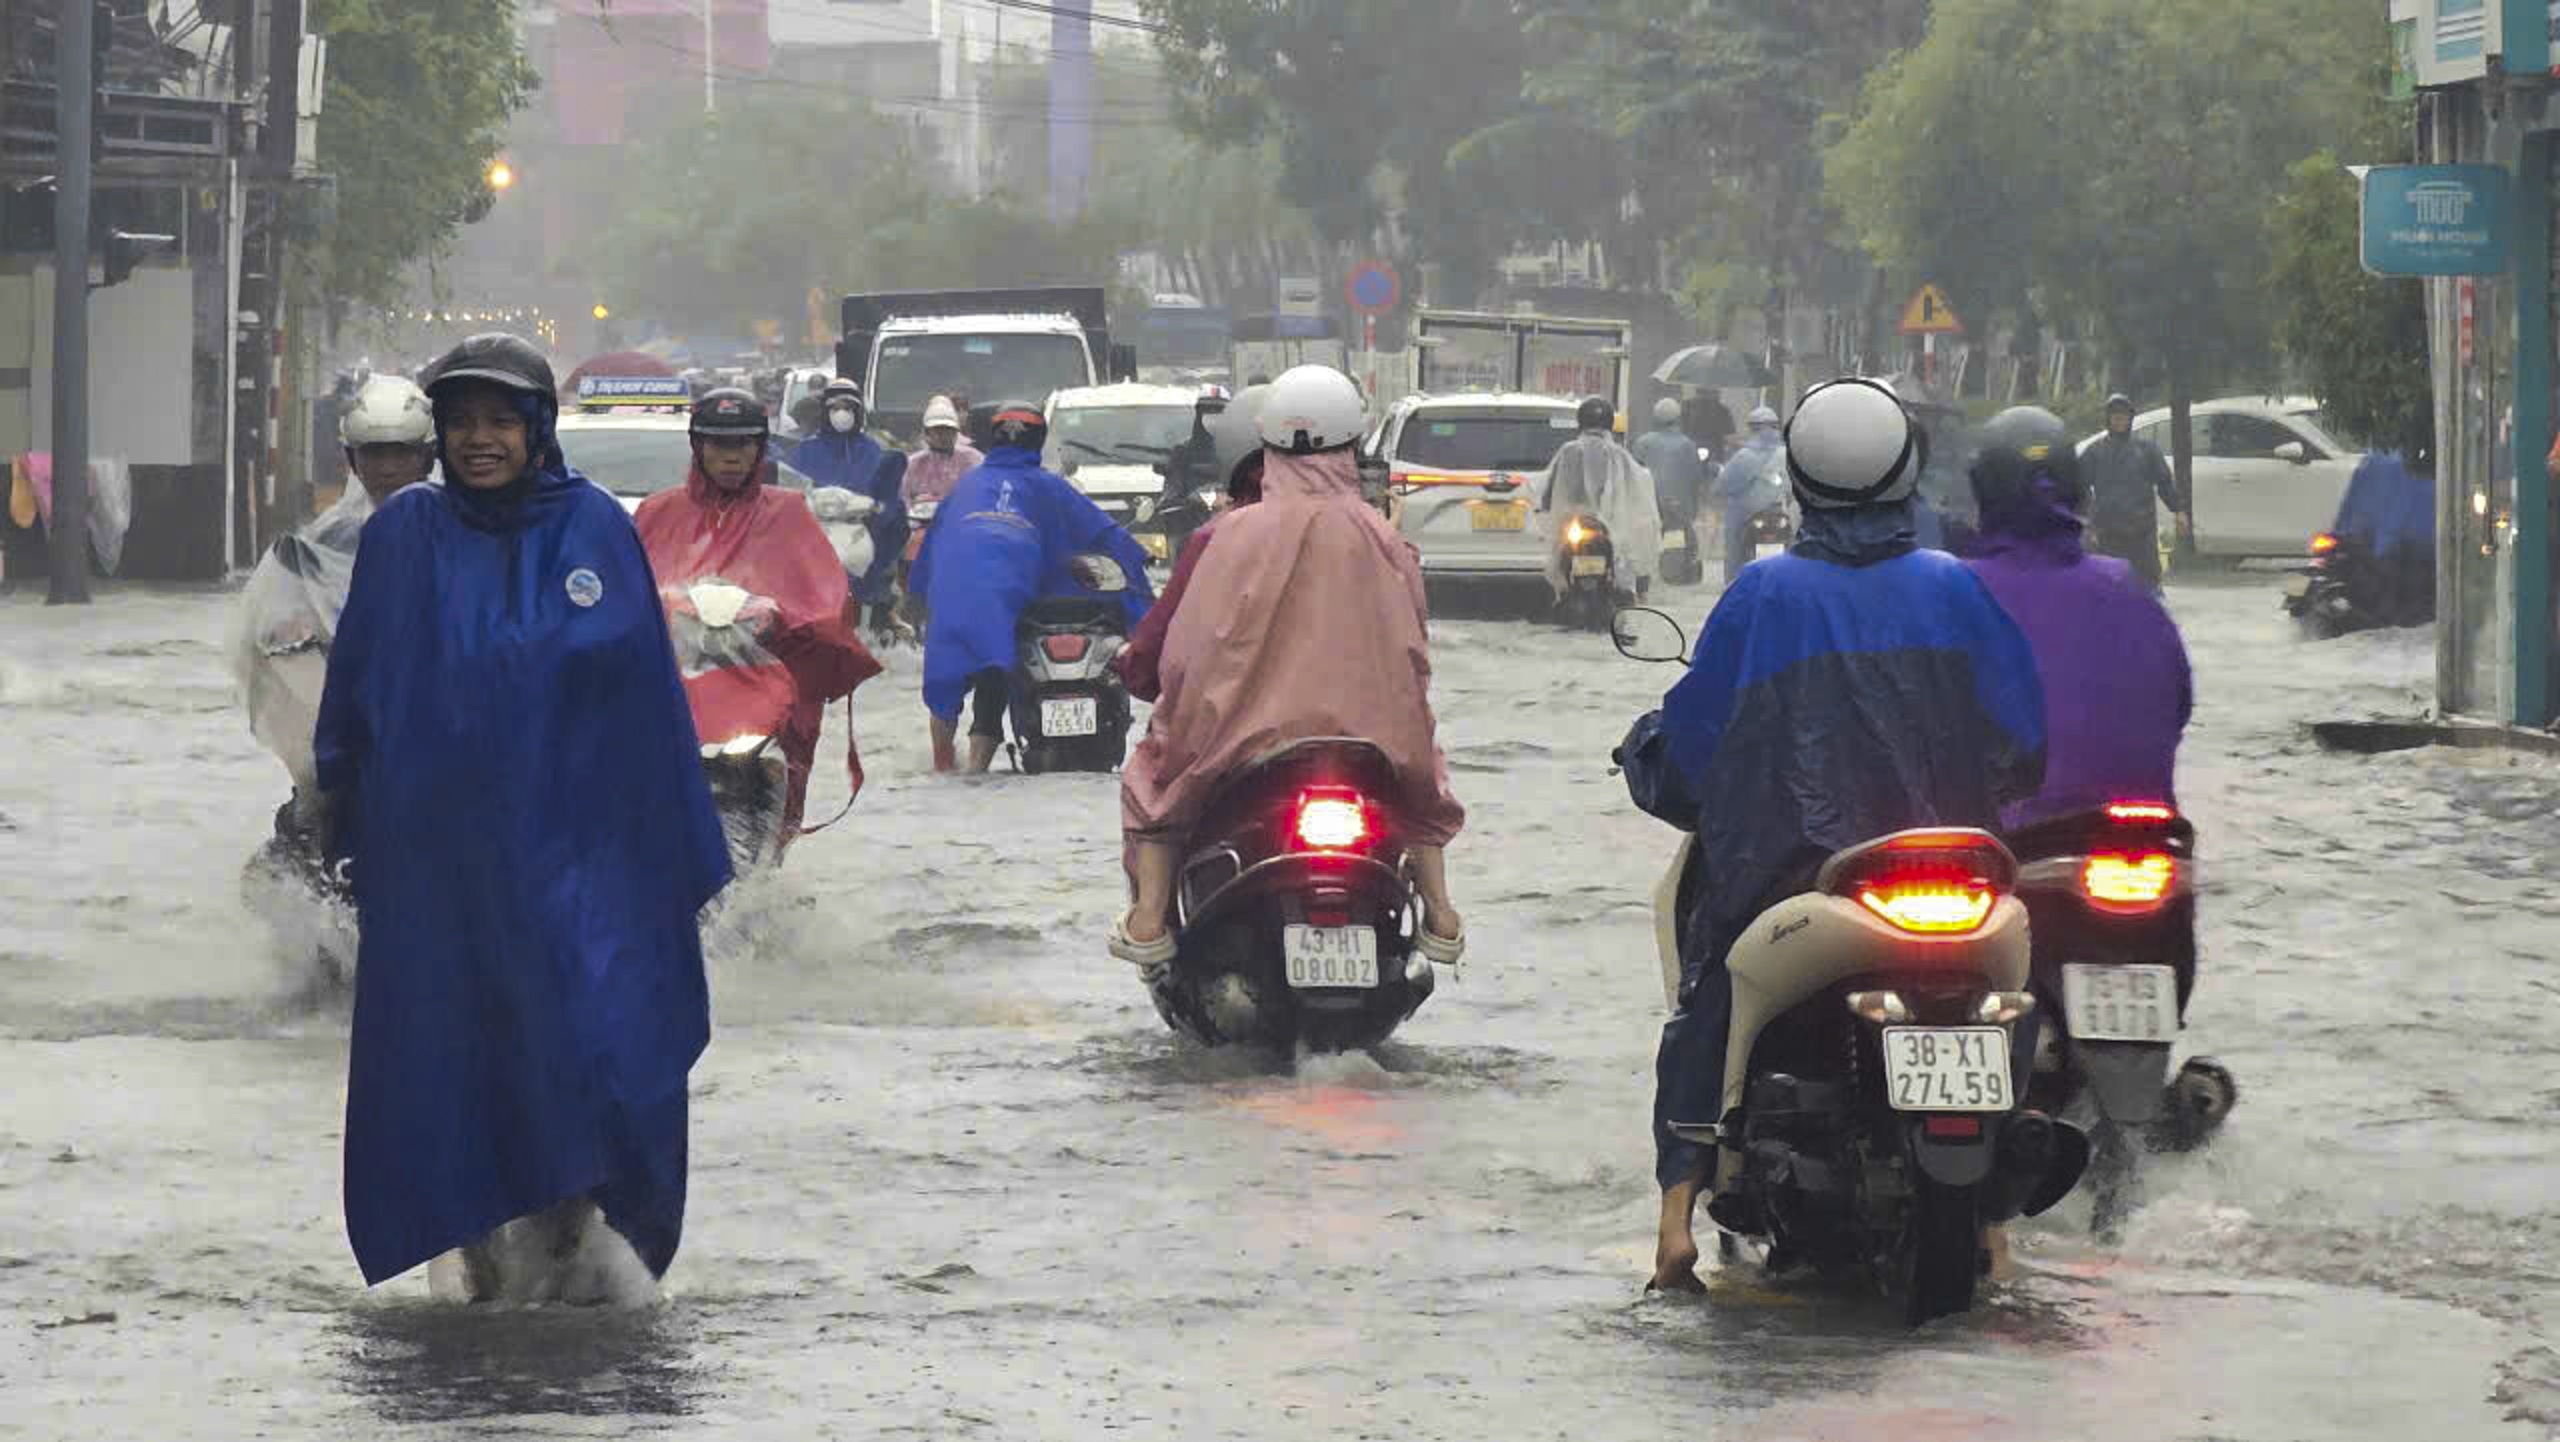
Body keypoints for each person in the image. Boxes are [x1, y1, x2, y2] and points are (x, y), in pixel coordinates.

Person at [312, 333, 730, 1304]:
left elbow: (647, 708)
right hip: (441, 867)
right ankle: (476, 1261)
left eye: (500, 419)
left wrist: (668, 854)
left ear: (537, 428)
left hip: (582, 866)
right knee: (457, 1055)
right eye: (460, 422)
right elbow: (358, 695)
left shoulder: (593, 531)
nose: (480, 439)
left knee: (597, 1047)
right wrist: (343, 814)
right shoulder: (403, 537)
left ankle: (575, 1248)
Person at [1614, 376, 2046, 1294]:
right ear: (1908, 473)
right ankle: (1998, 1226)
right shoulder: (1955, 587)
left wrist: (1648, 759)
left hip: (1794, 880)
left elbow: (1692, 745)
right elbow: (2027, 739)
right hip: (1955, 877)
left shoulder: (1764, 595)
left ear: (1799, 481)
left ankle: (1674, 1226)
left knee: (1709, 1001)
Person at [1110, 365, 1466, 966]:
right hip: (1371, 739)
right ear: (1354, 444)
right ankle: (1441, 912)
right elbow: (1413, 651)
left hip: (1241, 741)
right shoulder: (1386, 539)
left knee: (1156, 776)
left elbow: (1185, 654)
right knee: (1420, 783)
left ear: (1266, 444)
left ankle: (1148, 919)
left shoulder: (1226, 535)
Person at [634, 388, 884, 849]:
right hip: (678, 682)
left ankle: (776, 839)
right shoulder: (657, 513)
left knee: (789, 748)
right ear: (698, 447)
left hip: (764, 676)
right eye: (718, 444)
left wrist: (796, 620)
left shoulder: (786, 513)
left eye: (743, 444)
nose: (731, 457)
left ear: (759, 448)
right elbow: (628, 593)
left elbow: (822, 591)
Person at [230, 374, 439, 832]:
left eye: (401, 452)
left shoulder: (462, 530)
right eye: (374, 453)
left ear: (427, 455)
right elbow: (273, 627)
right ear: (351, 458)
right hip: (352, 734)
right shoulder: (326, 539)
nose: (388, 467)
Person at [1961, 406, 2188, 829]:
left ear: (1982, 490)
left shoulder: (1953, 593)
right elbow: (2179, 706)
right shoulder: (2134, 594)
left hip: (2008, 846)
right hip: (2140, 842)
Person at [907, 400, 1156, 774]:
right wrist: (1139, 562)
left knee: (945, 680)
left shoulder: (968, 485)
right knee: (995, 675)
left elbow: (929, 554)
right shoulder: (1047, 485)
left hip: (951, 596)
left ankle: (944, 769)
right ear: (1038, 440)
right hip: (1005, 597)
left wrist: (919, 600)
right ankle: (975, 771)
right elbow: (1103, 533)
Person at [789, 378, 910, 637]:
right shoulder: (806, 449)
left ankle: (882, 616)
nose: (841, 413)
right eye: (835, 407)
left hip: (863, 530)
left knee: (881, 570)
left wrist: (879, 510)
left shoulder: (873, 449)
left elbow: (889, 494)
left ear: (858, 411)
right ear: (825, 411)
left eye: (848, 407)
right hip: (817, 531)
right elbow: (792, 488)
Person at [1542, 395, 1663, 602]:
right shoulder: (1618, 453)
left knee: (1560, 558)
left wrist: (1544, 505)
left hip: (1577, 522)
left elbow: (1548, 489)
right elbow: (1639, 486)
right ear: (1609, 422)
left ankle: (1563, 594)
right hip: (1608, 523)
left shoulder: (1569, 450)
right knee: (1625, 561)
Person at [2081, 393, 2189, 589]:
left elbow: (2164, 482)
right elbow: (2079, 487)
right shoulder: (2094, 453)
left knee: (2148, 584)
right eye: (2115, 416)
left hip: (2142, 532)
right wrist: (2089, 522)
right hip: (2108, 533)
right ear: (2108, 419)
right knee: (2110, 585)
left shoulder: (2147, 450)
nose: (2120, 420)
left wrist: (2179, 510)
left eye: (2124, 416)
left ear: (2131, 418)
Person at [1710, 405, 1785, 584]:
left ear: (1752, 429)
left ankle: (1733, 582)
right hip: (1779, 511)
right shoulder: (1785, 454)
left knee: (1733, 540)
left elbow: (1722, 486)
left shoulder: (1744, 456)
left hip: (1746, 514)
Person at [1635, 396, 1709, 563]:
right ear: (1678, 418)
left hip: (1651, 507)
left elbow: (1635, 475)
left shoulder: (1643, 442)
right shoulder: (1687, 444)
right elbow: (1696, 478)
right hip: (1681, 509)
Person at [903, 394, 984, 508]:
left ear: (956, 432)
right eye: (938, 430)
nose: (944, 435)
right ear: (927, 433)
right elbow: (902, 499)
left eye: (948, 430)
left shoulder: (974, 459)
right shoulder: (912, 464)